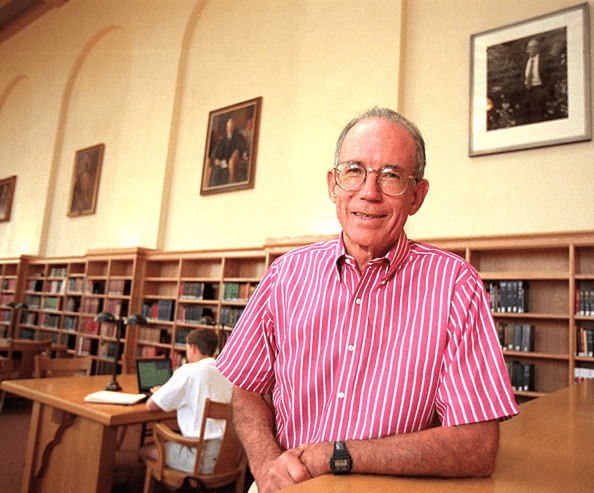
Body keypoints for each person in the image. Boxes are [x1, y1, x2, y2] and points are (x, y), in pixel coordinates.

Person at [216, 107, 519, 493]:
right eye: (354, 170)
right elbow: (248, 387)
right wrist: (264, 465)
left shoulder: (456, 286)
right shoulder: (283, 276)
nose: (369, 192)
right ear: (333, 185)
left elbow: (477, 447)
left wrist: (337, 456)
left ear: (417, 196)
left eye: (391, 175)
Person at [141, 328, 233, 475]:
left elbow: (151, 406)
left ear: (193, 348)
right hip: (230, 457)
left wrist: (160, 393)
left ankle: (180, 486)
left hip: (200, 460)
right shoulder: (229, 371)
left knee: (147, 449)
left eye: (187, 348)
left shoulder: (189, 371)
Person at [205, 118, 248, 187]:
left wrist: (244, 155)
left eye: (231, 127)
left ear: (233, 128)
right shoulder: (222, 138)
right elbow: (214, 152)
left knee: (224, 171)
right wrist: (216, 159)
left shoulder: (238, 137)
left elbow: (243, 148)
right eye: (228, 127)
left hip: (230, 161)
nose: (229, 129)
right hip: (221, 162)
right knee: (216, 170)